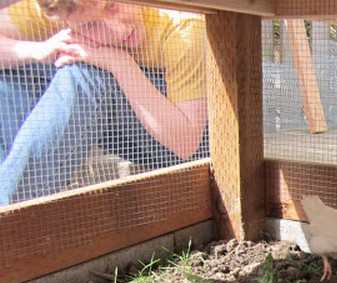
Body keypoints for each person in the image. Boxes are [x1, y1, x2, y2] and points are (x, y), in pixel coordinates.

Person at [0, 0, 208, 206]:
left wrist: (119, 63)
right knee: (16, 72)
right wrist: (36, 50)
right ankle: (13, 189)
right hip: (123, 126)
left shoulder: (184, 28)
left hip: (192, 140)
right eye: (91, 25)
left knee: (85, 74)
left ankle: (9, 211)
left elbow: (186, 143)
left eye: (112, 6)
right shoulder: (63, 6)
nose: (118, 29)